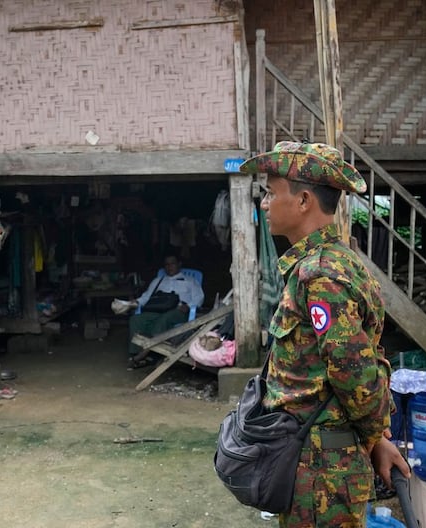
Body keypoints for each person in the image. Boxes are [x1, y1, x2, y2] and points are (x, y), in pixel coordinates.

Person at [240, 141, 410, 527]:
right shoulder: (330, 262)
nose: (265, 203)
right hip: (316, 461)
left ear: (303, 201)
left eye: (271, 193)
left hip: (320, 474)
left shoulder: (320, 274)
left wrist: (373, 437)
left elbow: (355, 374)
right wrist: (377, 437)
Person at [127, 255, 204, 369]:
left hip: (179, 311)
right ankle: (135, 352)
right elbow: (146, 297)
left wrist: (189, 306)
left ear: (179, 264)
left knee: (164, 319)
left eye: (172, 263)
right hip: (159, 310)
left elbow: (199, 297)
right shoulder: (158, 281)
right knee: (136, 319)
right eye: (167, 265)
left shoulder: (190, 281)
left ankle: (150, 354)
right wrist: (135, 302)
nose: (169, 267)